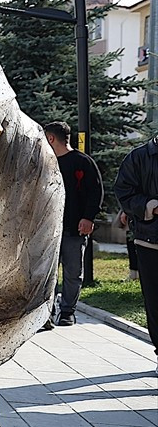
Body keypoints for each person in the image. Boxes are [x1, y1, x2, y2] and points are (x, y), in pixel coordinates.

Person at [42, 121, 103, 327]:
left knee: (73, 272)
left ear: (51, 138)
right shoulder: (45, 162)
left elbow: (95, 192)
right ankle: (46, 314)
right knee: (47, 273)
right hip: (48, 229)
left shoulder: (82, 162)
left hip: (74, 228)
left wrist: (88, 217)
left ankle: (67, 312)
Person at [114, 135, 158, 369]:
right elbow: (124, 192)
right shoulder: (139, 157)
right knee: (155, 301)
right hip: (151, 241)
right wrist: (152, 206)